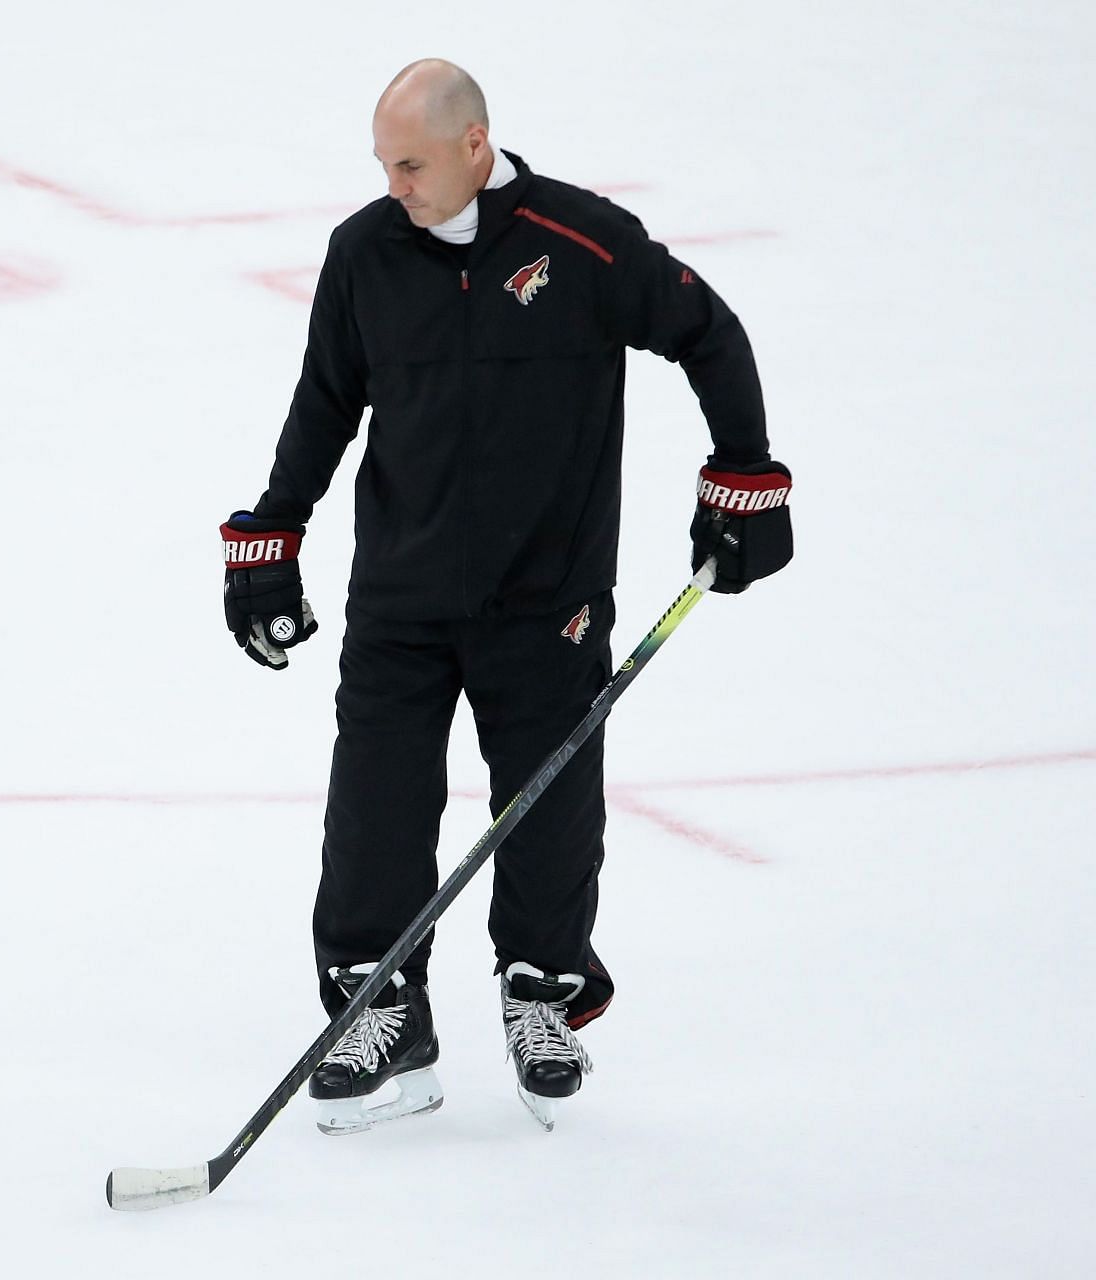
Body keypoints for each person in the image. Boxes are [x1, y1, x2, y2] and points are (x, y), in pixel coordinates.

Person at [219, 59, 793, 1131]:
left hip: (548, 591)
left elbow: (709, 333)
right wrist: (271, 530)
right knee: (375, 802)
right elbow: (325, 403)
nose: (396, 185)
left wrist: (746, 475)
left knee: (547, 802)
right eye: (384, 164)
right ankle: (379, 1009)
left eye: (412, 163)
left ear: (476, 144)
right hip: (401, 586)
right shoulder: (365, 253)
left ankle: (540, 990)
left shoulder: (583, 243)